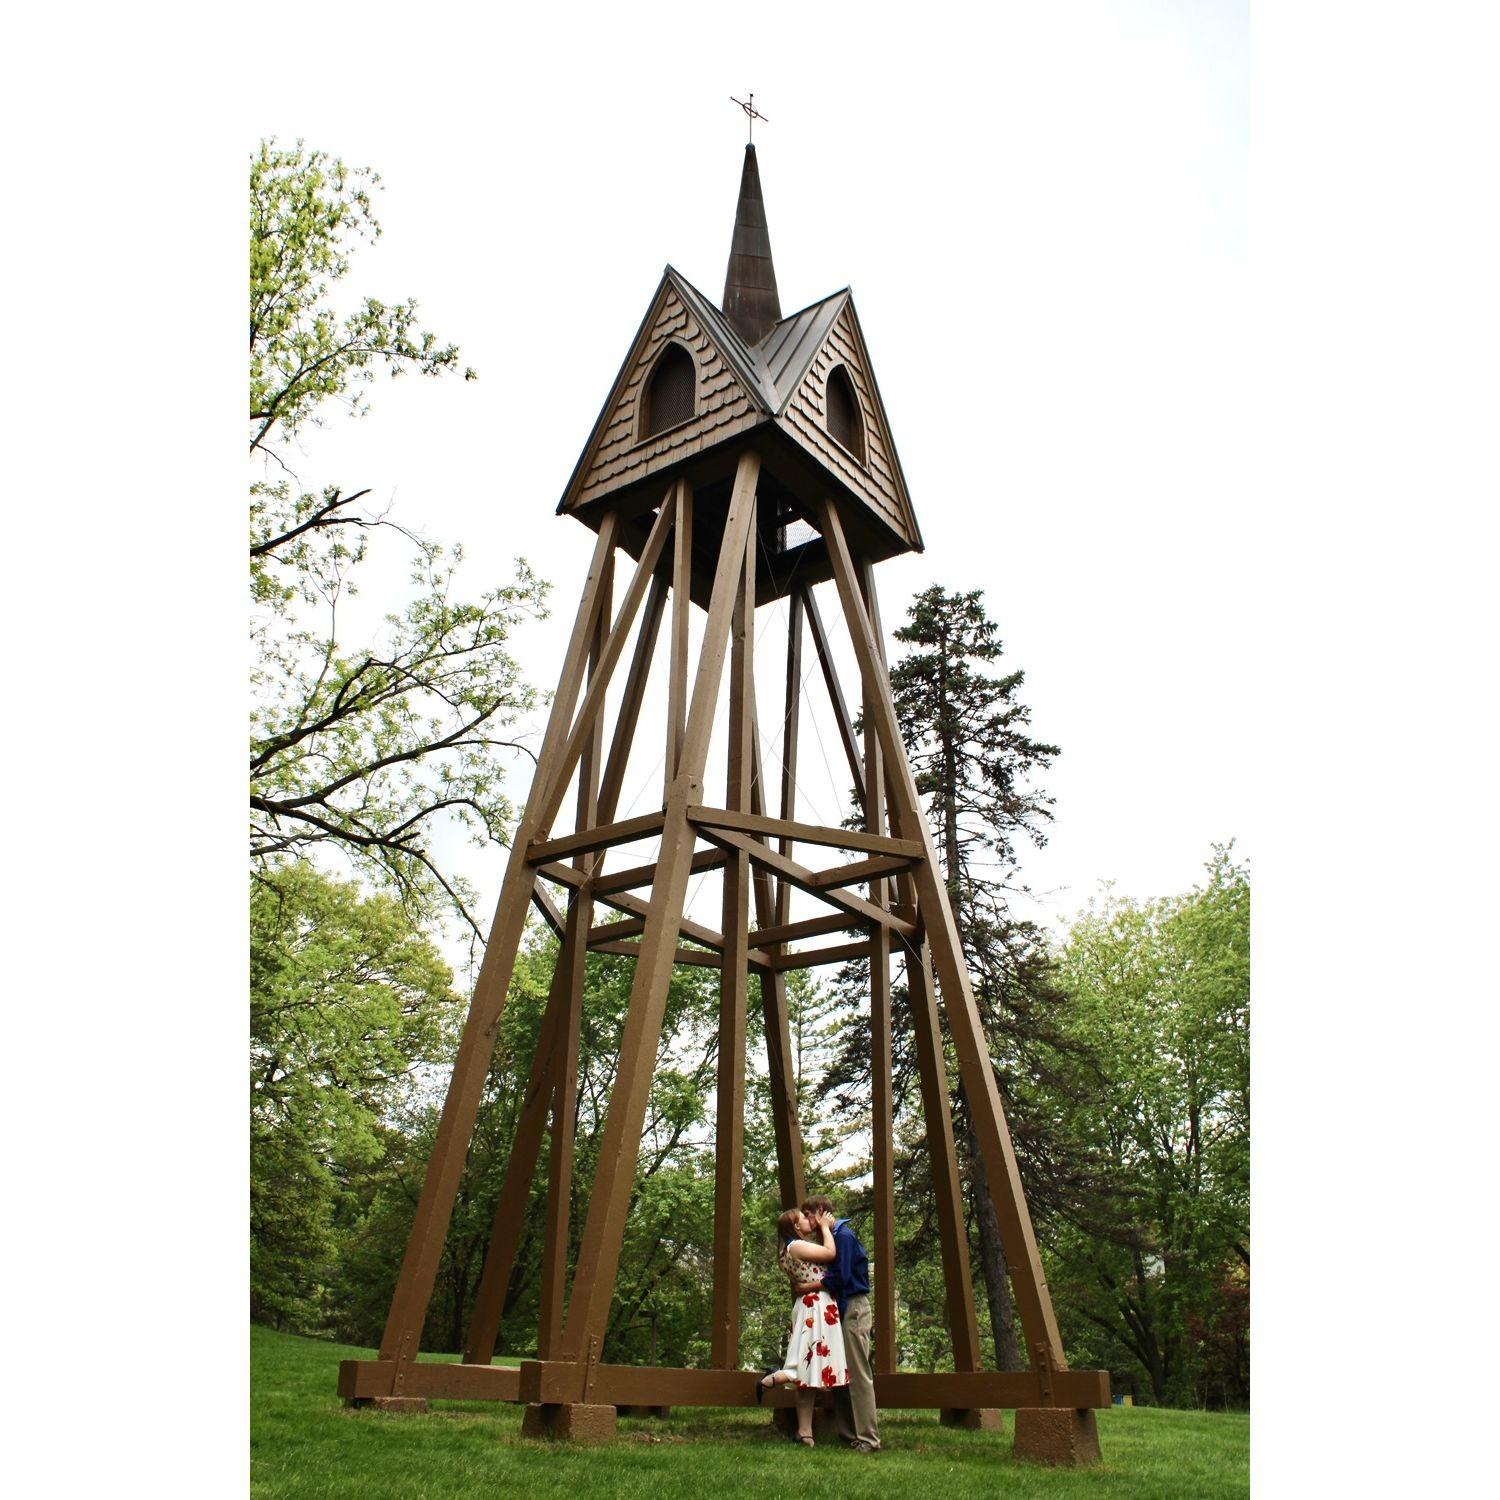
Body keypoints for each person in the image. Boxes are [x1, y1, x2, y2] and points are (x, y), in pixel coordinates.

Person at [759, 1207, 850, 1445]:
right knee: (809, 1363)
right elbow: (830, 1253)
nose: (810, 1220)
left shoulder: (789, 1248)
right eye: (804, 1218)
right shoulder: (795, 1246)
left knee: (809, 1369)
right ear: (797, 1227)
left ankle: (804, 1431)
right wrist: (824, 1228)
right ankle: (777, 1377)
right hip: (816, 1306)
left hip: (813, 1304)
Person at [802, 1194, 879, 1452]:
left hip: (854, 1307)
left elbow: (840, 1277)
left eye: (810, 1215)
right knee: (840, 1375)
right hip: (839, 1310)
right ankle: (849, 1436)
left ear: (821, 1211)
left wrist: (806, 1287)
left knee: (857, 1375)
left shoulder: (843, 1236)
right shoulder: (831, 1239)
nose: (808, 1221)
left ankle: (868, 1439)